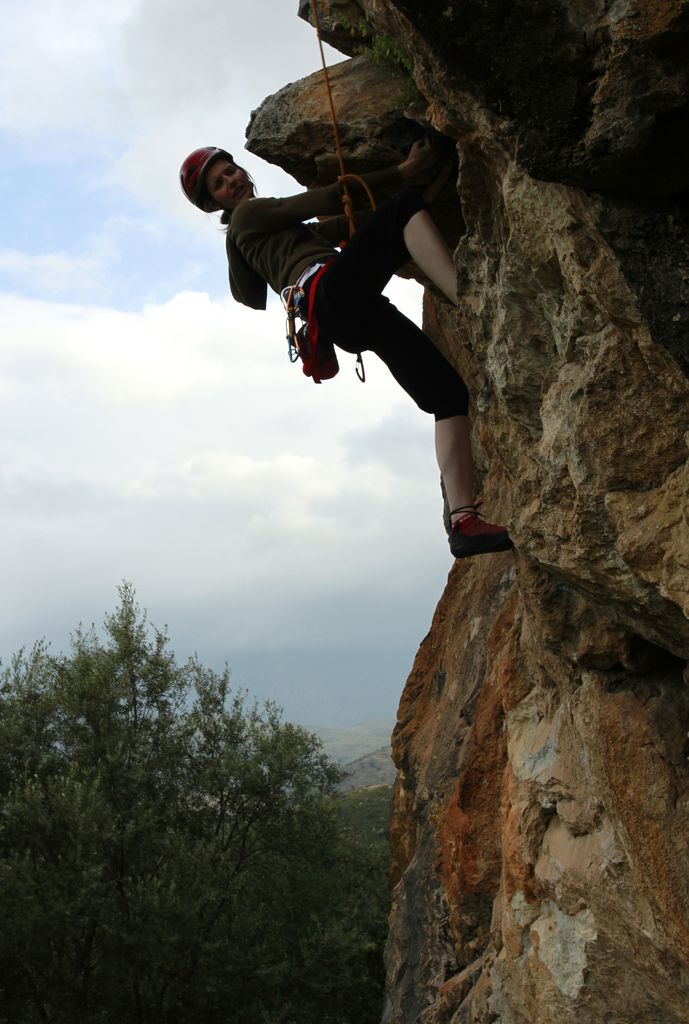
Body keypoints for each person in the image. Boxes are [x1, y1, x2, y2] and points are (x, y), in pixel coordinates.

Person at [179, 140, 513, 559]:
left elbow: (326, 233)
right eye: (220, 183)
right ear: (215, 202)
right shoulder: (247, 215)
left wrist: (420, 200)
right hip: (331, 294)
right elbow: (316, 201)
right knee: (401, 207)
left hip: (346, 317)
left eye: (232, 171)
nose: (233, 180)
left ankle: (462, 522)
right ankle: (469, 300)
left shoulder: (263, 237)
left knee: (447, 396)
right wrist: (402, 175)